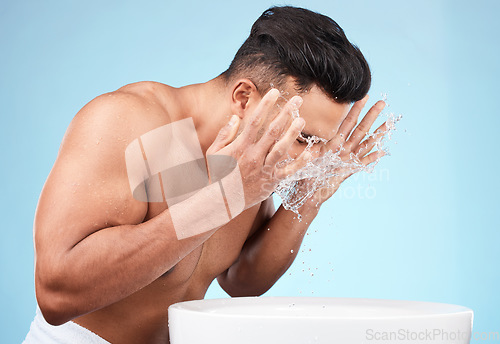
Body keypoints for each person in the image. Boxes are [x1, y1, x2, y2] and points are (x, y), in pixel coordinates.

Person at [24, 5, 388, 344]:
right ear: (245, 97)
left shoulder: (254, 158)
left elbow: (241, 280)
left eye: (317, 145)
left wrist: (310, 197)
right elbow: (57, 294)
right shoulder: (133, 123)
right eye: (303, 137)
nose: (309, 158)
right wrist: (221, 199)